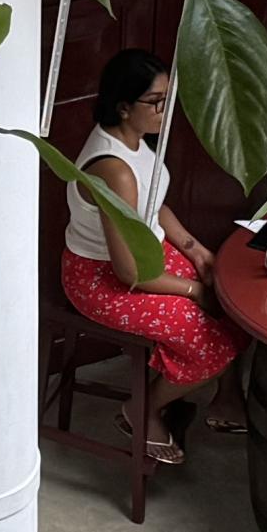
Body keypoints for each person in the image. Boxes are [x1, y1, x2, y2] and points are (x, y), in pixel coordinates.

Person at [60, 50, 244, 466]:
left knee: (229, 295)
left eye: (168, 97)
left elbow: (152, 204)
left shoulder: (136, 141)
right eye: (156, 101)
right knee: (205, 335)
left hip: (143, 254)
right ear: (125, 107)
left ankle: (228, 396)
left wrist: (194, 249)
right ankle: (141, 410)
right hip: (102, 277)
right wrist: (193, 290)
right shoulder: (112, 168)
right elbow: (129, 271)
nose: (167, 108)